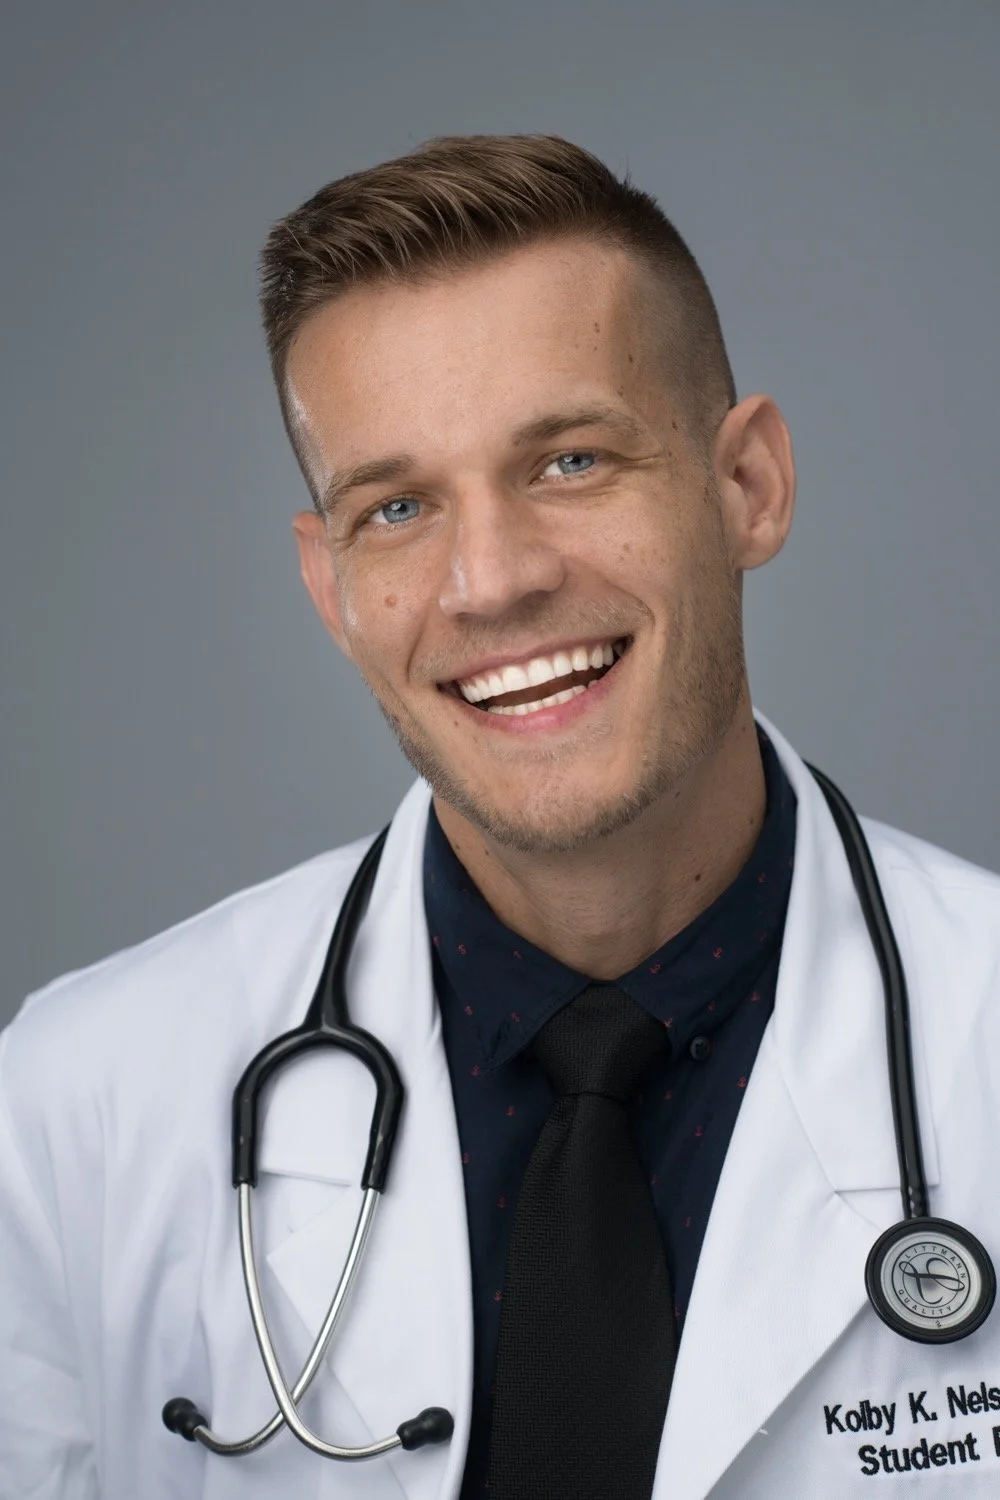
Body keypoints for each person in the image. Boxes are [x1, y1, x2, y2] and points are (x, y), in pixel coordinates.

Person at [2, 133, 999, 1500]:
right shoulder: (75, 1106)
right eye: (397, 506)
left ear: (747, 487)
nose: (489, 581)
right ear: (330, 587)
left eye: (571, 461)